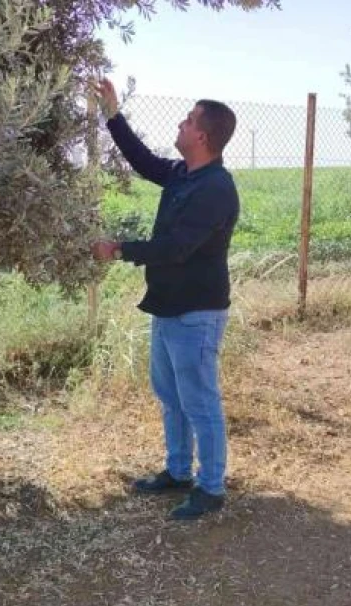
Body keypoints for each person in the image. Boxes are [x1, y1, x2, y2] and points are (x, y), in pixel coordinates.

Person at [91, 78, 240, 521]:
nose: (180, 123)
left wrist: (119, 249)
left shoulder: (216, 188)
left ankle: (211, 488)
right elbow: (140, 160)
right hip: (168, 305)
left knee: (199, 401)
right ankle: (177, 471)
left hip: (198, 313)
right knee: (171, 396)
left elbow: (176, 247)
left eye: (189, 119)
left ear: (203, 136)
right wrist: (113, 115)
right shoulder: (182, 174)